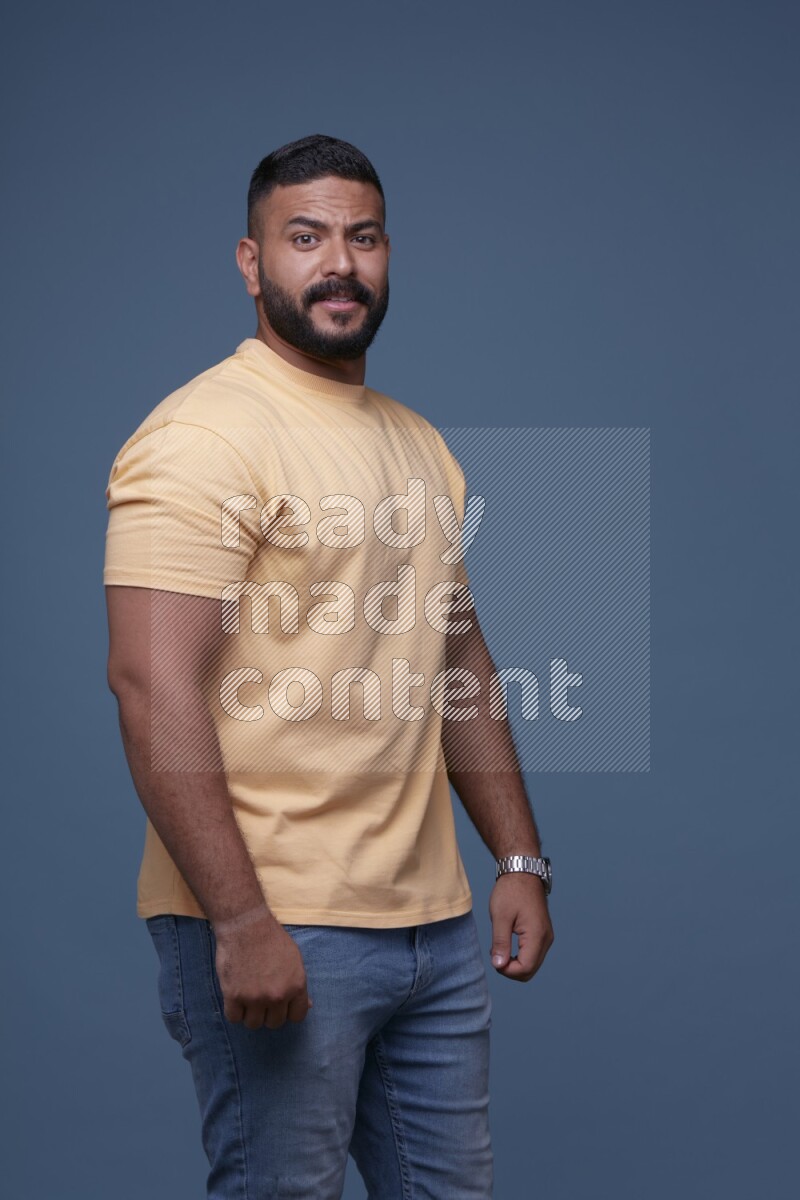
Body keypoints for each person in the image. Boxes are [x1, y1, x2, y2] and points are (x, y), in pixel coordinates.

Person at [104, 133, 554, 1199]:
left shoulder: (414, 441)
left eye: (361, 236)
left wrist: (519, 860)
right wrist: (244, 920)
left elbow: (454, 654)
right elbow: (149, 684)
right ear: (252, 263)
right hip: (280, 914)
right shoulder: (203, 435)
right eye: (303, 238)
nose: (337, 262)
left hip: (432, 927)